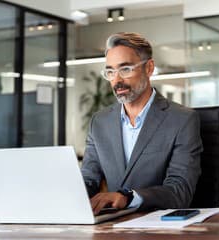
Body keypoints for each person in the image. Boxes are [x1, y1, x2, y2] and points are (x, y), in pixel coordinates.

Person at [81, 32, 203, 215]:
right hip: (114, 228)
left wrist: (127, 197)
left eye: (125, 69)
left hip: (161, 228)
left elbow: (180, 191)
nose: (117, 80)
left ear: (149, 68)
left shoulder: (182, 120)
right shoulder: (99, 122)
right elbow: (88, 180)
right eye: (110, 72)